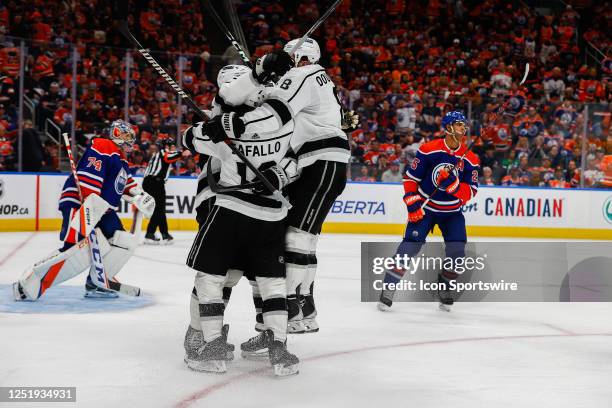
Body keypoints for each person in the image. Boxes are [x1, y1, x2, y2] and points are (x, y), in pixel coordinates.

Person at [209, 37, 351, 334]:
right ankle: (304, 307)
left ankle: (290, 305)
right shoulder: (319, 77)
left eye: (289, 59)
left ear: (299, 58)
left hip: (317, 159)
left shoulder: (305, 74)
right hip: (320, 160)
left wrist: (257, 84)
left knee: (296, 238)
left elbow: (277, 110)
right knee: (305, 237)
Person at [181, 55, 300, 376]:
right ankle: (272, 339)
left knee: (218, 275)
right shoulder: (266, 116)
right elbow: (290, 156)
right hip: (242, 205)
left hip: (230, 206)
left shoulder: (224, 121)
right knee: (254, 277)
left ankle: (208, 338)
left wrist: (279, 174)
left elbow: (191, 138)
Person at [13, 120, 155, 301]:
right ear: (116, 134)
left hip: (102, 209)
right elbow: (89, 176)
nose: (130, 141)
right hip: (80, 204)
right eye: (127, 136)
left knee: (124, 242)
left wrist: (140, 195)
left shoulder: (120, 158)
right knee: (76, 251)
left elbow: (124, 182)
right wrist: (89, 205)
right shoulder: (104, 145)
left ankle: (98, 282)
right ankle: (30, 283)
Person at [378, 111, 480, 312]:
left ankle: (444, 286)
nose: (463, 128)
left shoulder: (471, 158)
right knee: (409, 247)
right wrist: (413, 204)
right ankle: (388, 289)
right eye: (459, 124)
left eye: (464, 125)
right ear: (448, 127)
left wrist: (452, 185)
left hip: (452, 212)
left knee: (458, 253)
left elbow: (471, 192)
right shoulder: (428, 149)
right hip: (426, 208)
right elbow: (410, 179)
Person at [142, 138, 180, 244]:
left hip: (151, 182)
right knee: (159, 210)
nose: (174, 147)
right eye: (172, 145)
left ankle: (165, 234)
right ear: (166, 146)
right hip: (155, 182)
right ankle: (150, 234)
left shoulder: (158, 154)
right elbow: (169, 158)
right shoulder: (164, 152)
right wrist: (181, 153)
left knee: (159, 209)